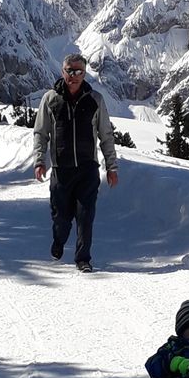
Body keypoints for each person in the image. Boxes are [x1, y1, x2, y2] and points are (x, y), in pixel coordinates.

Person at [32, 53, 119, 272]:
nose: (74, 75)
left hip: (88, 169)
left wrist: (111, 166)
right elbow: (41, 133)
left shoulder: (95, 99)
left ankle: (83, 259)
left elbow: (106, 135)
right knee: (61, 218)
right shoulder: (50, 99)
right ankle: (59, 241)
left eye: (79, 71)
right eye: (70, 70)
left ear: (84, 73)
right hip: (61, 170)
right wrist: (39, 161)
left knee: (85, 216)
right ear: (63, 72)